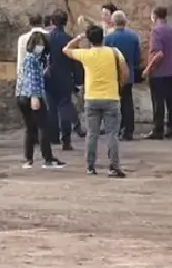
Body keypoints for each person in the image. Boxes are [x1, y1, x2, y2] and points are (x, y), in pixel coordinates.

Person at [64, 25, 128, 178]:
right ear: (103, 37)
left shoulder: (86, 54)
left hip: (92, 98)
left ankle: (90, 166)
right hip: (111, 97)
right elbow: (125, 72)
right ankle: (114, 166)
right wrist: (120, 85)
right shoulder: (114, 52)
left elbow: (66, 49)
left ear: (90, 39)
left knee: (92, 134)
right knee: (112, 134)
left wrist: (79, 38)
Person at [16, 30, 62, 169]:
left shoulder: (30, 58)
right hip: (31, 95)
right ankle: (47, 159)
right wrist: (35, 96)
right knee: (43, 127)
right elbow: (31, 79)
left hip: (22, 95)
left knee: (30, 128)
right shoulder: (32, 59)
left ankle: (28, 159)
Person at [103, 11, 143, 141]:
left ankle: (117, 129)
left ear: (113, 22)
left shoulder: (109, 38)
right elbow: (137, 58)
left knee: (114, 104)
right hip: (128, 74)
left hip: (113, 75)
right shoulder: (133, 36)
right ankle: (129, 130)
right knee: (127, 102)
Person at [45, 12, 82, 149]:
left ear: (52, 22)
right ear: (65, 23)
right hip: (65, 77)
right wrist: (78, 81)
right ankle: (66, 139)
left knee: (51, 107)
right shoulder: (69, 40)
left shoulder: (46, 38)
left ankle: (53, 137)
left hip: (49, 76)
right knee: (65, 106)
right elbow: (76, 61)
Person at [144, 6, 172, 140]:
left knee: (158, 101)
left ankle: (158, 129)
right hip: (171, 71)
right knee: (171, 102)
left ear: (154, 15)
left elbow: (158, 53)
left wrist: (148, 68)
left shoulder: (156, 31)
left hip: (158, 72)